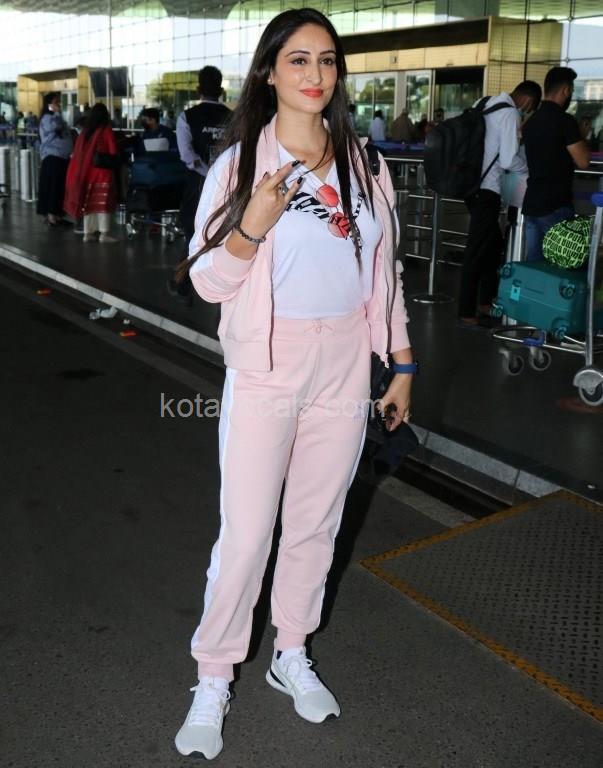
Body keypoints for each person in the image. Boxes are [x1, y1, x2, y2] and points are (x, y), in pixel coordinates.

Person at [173, 8, 414, 761]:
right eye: (299, 60)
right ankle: (213, 676)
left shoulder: (364, 163)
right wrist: (250, 226)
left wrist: (400, 361)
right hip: (268, 363)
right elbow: (207, 281)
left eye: (327, 60)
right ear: (269, 72)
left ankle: (290, 652)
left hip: (344, 361)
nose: (316, 75)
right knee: (247, 535)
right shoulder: (241, 165)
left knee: (315, 524)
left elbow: (384, 271)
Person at [458, 81, 542, 326]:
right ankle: (466, 311)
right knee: (477, 250)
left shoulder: (484, 103)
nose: (526, 113)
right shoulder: (510, 113)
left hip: (471, 186)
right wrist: (528, 169)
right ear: (528, 100)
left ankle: (485, 301)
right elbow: (507, 160)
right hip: (488, 190)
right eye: (529, 109)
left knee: (492, 246)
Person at [170, 66, 231, 303]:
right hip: (228, 187)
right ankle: (214, 284)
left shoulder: (187, 117)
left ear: (198, 89)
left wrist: (208, 173)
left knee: (193, 233)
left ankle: (185, 282)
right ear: (221, 90)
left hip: (197, 187)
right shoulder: (234, 117)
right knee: (221, 234)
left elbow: (188, 156)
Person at [522, 67, 591, 261]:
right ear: (566, 90)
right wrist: (582, 136)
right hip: (555, 205)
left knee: (535, 265)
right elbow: (583, 161)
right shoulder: (565, 121)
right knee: (560, 265)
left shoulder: (531, 121)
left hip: (532, 203)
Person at [64, 103, 119, 243]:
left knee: (90, 203)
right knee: (102, 204)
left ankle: (87, 233)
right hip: (102, 173)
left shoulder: (85, 132)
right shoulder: (106, 130)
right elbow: (113, 150)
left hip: (87, 173)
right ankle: (104, 234)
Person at [36, 92, 73, 227]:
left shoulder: (56, 117)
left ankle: (57, 215)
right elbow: (55, 127)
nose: (59, 105)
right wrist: (57, 113)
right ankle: (51, 216)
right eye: (56, 102)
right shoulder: (48, 118)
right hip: (53, 158)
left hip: (61, 158)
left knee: (59, 187)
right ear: (49, 105)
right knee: (53, 187)